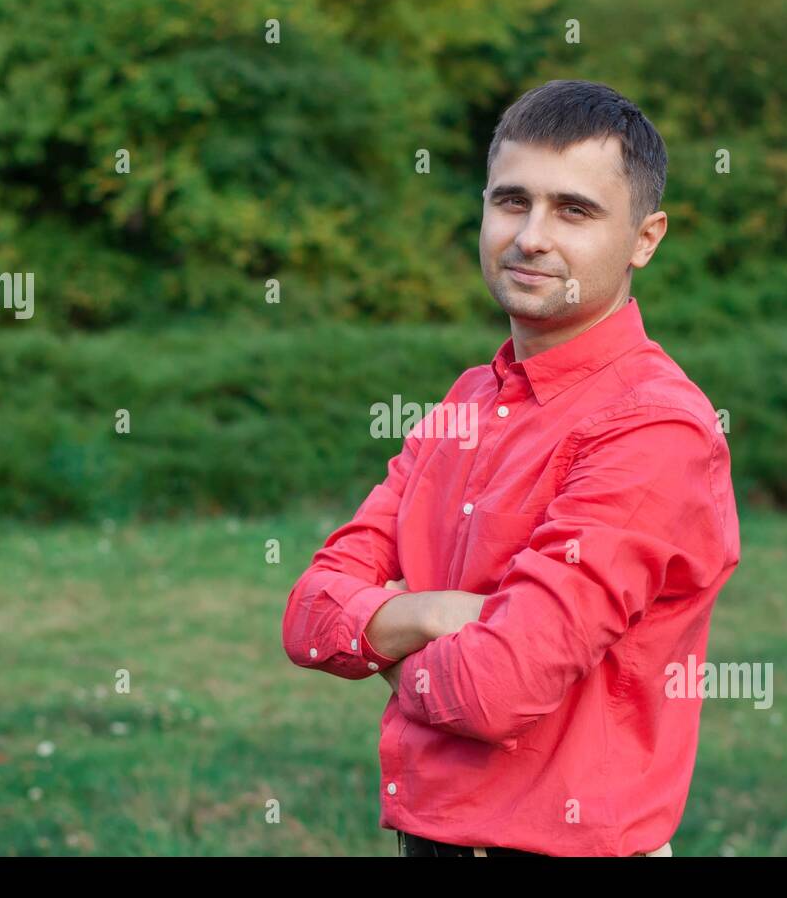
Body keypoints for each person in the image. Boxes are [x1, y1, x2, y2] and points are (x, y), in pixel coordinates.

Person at [282, 79, 739, 857]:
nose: (531, 236)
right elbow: (307, 615)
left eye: (575, 210)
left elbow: (497, 690)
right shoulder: (468, 399)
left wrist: (384, 639)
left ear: (645, 238)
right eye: (511, 201)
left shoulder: (654, 427)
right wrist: (431, 616)